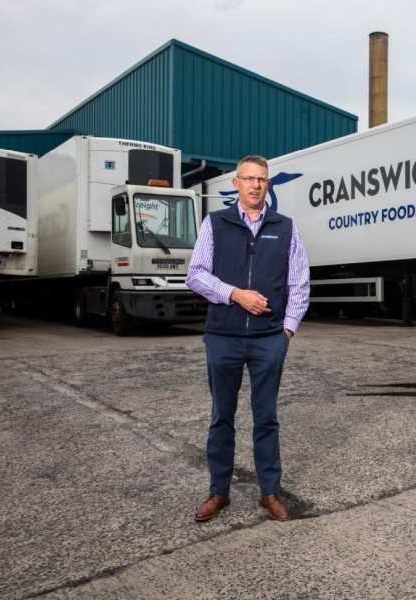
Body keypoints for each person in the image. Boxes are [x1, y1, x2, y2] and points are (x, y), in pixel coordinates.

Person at [186, 155, 310, 523]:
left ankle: (269, 491)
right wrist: (235, 294)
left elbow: (299, 284)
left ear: (267, 185)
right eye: (249, 178)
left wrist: (286, 331)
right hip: (223, 336)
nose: (256, 185)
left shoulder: (285, 227)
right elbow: (195, 274)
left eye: (262, 179)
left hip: (268, 340)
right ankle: (218, 492)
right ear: (236, 184)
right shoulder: (216, 223)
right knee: (221, 417)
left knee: (266, 418)